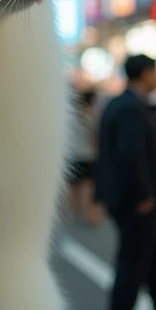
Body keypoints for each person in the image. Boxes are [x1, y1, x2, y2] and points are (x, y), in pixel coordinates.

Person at [95, 53, 156, 310]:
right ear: (144, 74)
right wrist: (143, 194)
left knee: (144, 258)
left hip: (121, 196)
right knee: (133, 260)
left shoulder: (119, 103)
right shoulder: (132, 108)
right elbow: (130, 154)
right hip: (135, 199)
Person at [67, 89, 102, 225]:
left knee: (73, 187)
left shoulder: (73, 115)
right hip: (88, 156)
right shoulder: (91, 115)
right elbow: (95, 137)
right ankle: (89, 215)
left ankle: (72, 212)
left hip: (73, 156)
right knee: (87, 188)